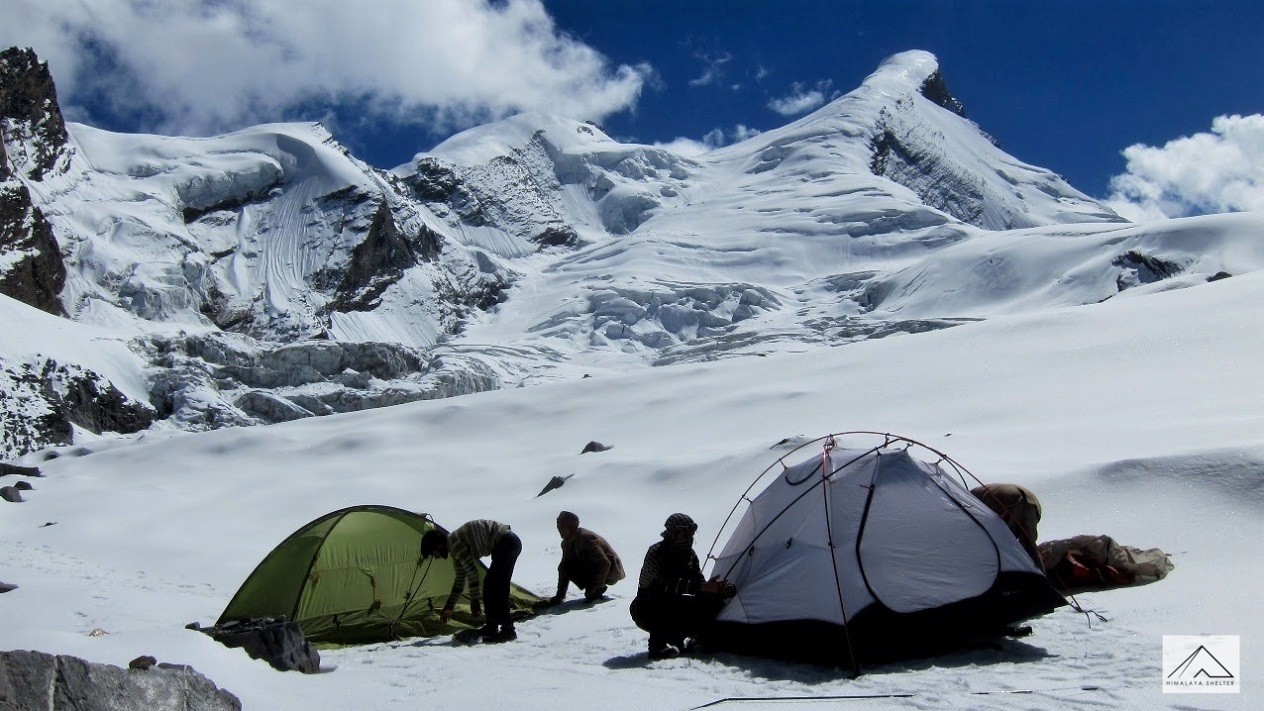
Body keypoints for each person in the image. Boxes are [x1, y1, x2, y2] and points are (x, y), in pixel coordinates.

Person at [630, 513, 737, 659]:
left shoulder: (690, 555)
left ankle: (701, 637)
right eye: (686, 533)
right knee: (662, 598)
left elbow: (697, 582)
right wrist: (702, 587)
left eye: (692, 533)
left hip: (674, 606)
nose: (690, 538)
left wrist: (715, 589)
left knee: (710, 599)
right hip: (646, 608)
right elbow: (665, 585)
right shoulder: (656, 553)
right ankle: (657, 647)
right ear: (673, 534)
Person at [420, 519, 522, 643]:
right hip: (510, 542)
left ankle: (502, 630)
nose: (435, 557)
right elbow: (460, 580)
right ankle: (498, 628)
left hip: (505, 542)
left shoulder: (454, 544)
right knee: (499, 586)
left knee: (492, 586)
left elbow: (472, 573)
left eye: (432, 552)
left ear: (438, 545)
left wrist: (475, 601)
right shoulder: (455, 546)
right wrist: (449, 608)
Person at [548, 511, 626, 605]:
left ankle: (597, 590)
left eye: (563, 528)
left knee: (587, 559)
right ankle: (593, 588)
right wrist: (559, 596)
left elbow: (604, 563)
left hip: (611, 572)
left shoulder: (586, 539)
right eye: (559, 528)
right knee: (565, 566)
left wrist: (595, 587)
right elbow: (564, 567)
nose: (559, 530)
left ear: (572, 527)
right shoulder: (566, 543)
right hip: (595, 569)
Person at [971, 483, 1043, 567]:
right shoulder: (973, 495)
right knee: (1029, 548)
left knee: (1004, 545)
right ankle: (1040, 574)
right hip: (1030, 501)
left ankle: (1037, 575)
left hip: (1009, 499)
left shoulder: (967, 498)